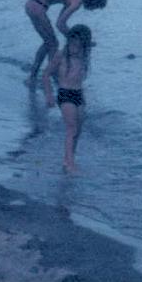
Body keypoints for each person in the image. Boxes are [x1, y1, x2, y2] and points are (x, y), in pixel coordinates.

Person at [24, 0, 107, 86]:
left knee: (48, 42)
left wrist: (75, 38)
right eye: (95, 7)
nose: (92, 10)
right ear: (94, 2)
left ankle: (34, 76)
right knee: (53, 44)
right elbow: (60, 24)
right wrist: (79, 41)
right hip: (37, 7)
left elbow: (60, 21)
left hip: (33, 3)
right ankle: (52, 78)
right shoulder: (77, 1)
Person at [42, 24, 93, 173]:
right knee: (72, 128)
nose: (76, 45)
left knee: (79, 129)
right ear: (69, 40)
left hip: (79, 94)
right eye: (73, 41)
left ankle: (68, 158)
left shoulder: (84, 54)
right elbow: (46, 74)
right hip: (65, 93)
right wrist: (49, 95)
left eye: (80, 42)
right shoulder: (61, 55)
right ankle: (70, 164)